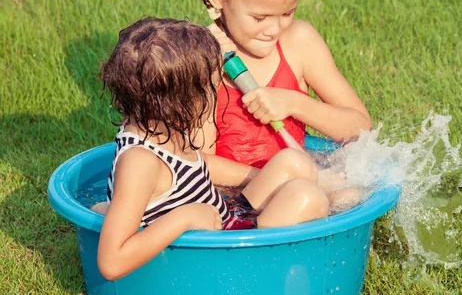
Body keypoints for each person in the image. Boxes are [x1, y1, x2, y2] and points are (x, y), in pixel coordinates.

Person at [94, 18, 329, 281]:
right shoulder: (140, 162)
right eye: (211, 89)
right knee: (307, 196)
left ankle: (326, 187)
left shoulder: (157, 125)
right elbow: (111, 263)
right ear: (181, 103)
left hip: (229, 217)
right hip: (226, 252)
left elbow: (198, 164)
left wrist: (261, 178)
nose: (215, 96)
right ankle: (267, 262)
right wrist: (183, 219)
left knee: (292, 162)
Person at [197, 0, 372, 198]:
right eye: (260, 17)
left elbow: (361, 130)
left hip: (297, 188)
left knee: (349, 195)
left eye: (287, 13)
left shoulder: (299, 43)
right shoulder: (201, 61)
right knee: (311, 196)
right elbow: (197, 163)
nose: (275, 29)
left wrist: (295, 103)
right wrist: (276, 178)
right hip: (231, 204)